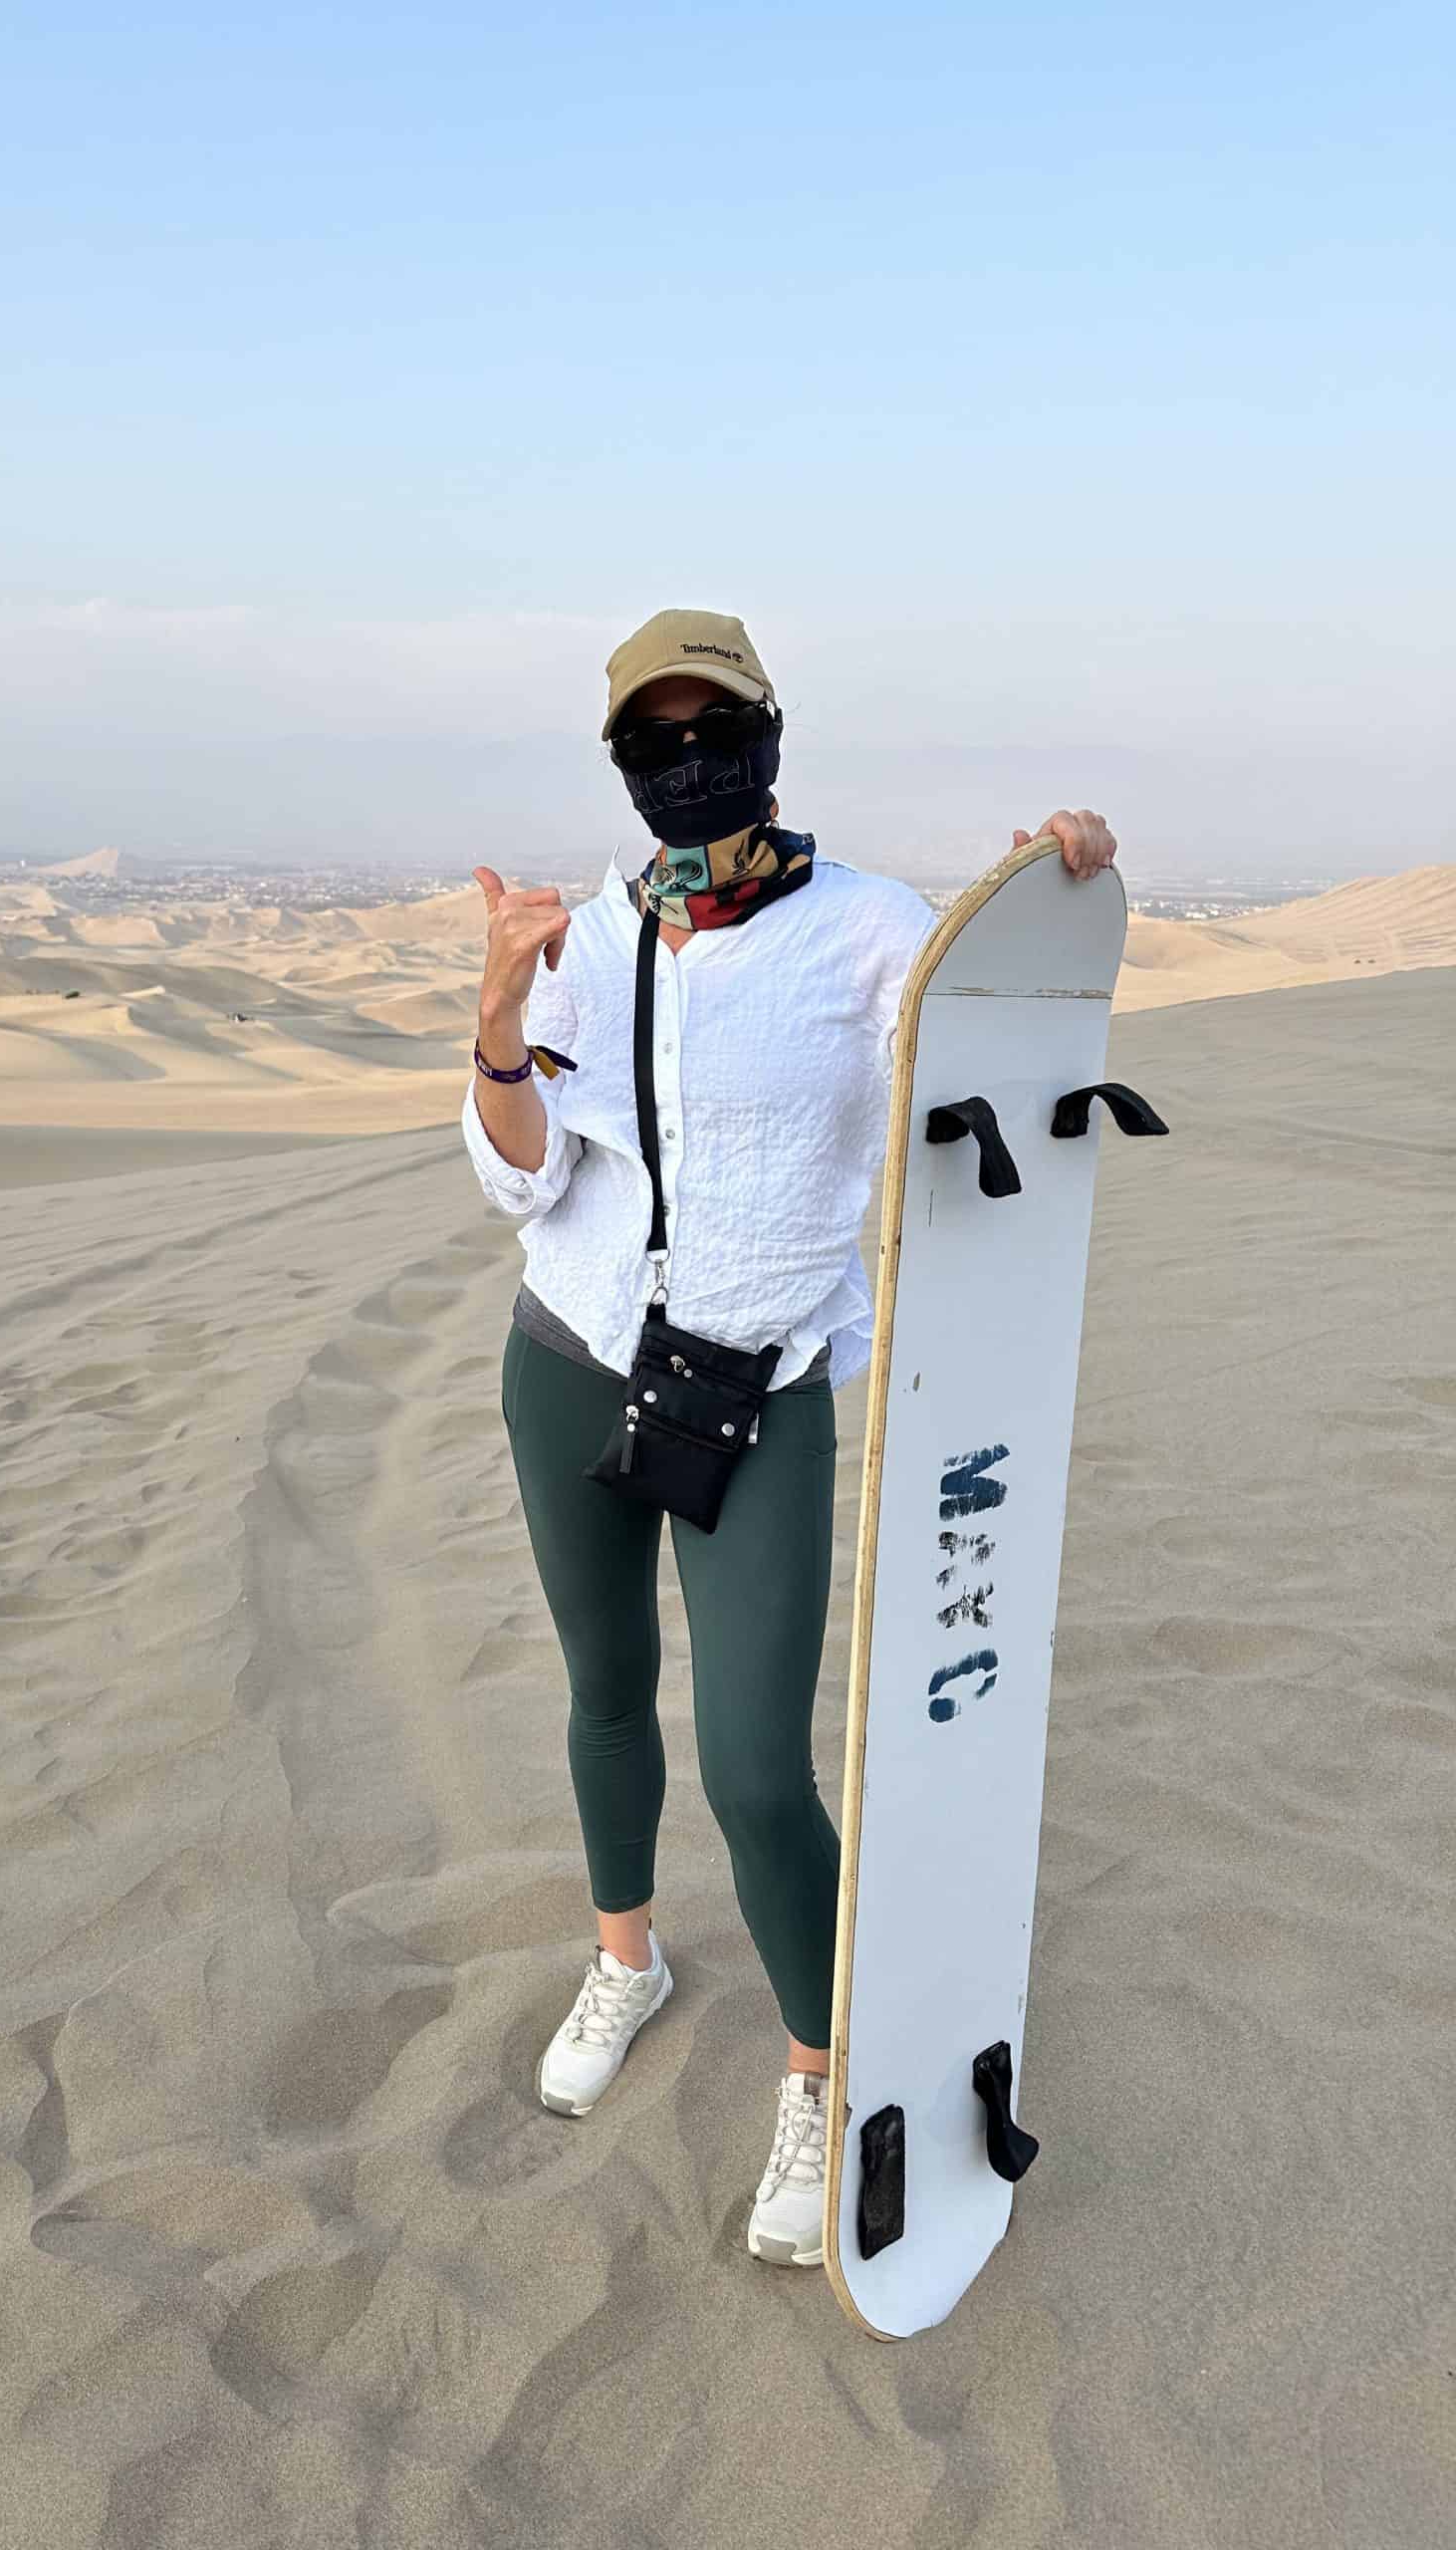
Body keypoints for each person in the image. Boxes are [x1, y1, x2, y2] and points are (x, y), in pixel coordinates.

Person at [462, 607, 1115, 2268]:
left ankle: (823, 2073)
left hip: (759, 1388)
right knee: (606, 1688)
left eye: (712, 730)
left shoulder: (873, 931)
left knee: (758, 1765)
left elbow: (1001, 1033)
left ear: (765, 733)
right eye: (651, 739)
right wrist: (497, 1014)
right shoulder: (583, 939)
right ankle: (626, 1960)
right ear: (621, 763)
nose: (684, 761)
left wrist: (1048, 892)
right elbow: (527, 1181)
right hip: (569, 1353)